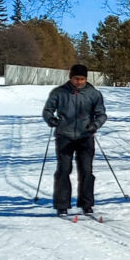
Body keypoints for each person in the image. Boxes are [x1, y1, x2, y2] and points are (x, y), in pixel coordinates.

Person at [42, 63, 108, 217]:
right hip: (64, 136)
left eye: (82, 79)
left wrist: (95, 125)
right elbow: (47, 111)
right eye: (76, 78)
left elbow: (101, 114)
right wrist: (51, 120)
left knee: (86, 171)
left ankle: (87, 204)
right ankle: (62, 205)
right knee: (64, 170)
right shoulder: (59, 92)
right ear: (71, 77)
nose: (79, 82)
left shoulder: (93, 94)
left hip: (85, 136)